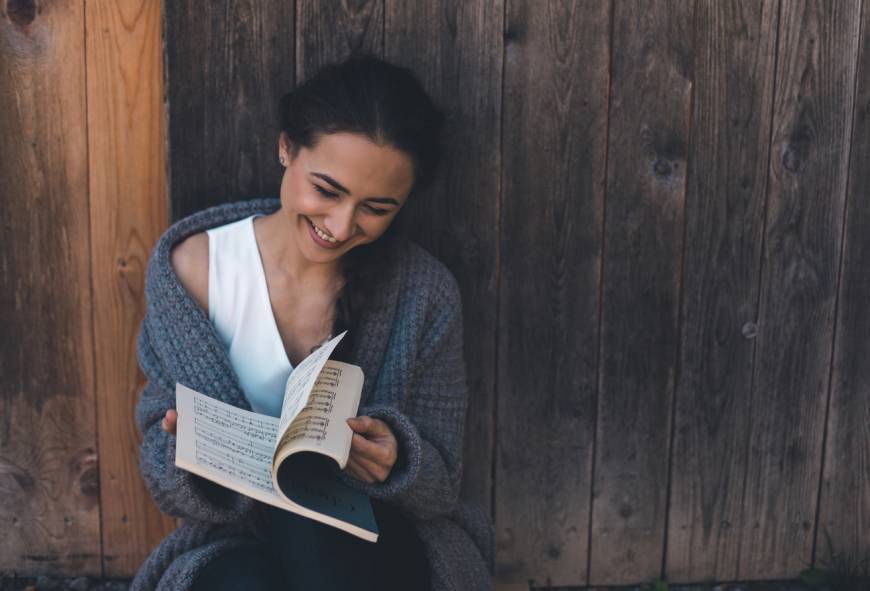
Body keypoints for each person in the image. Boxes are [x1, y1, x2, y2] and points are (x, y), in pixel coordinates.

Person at [130, 53, 494, 591]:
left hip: (372, 540)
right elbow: (159, 467)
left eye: (377, 208)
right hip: (237, 544)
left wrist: (398, 460)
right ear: (286, 148)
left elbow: (442, 481)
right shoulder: (193, 274)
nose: (341, 226)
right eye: (327, 190)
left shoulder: (424, 294)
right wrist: (190, 457)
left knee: (313, 527)